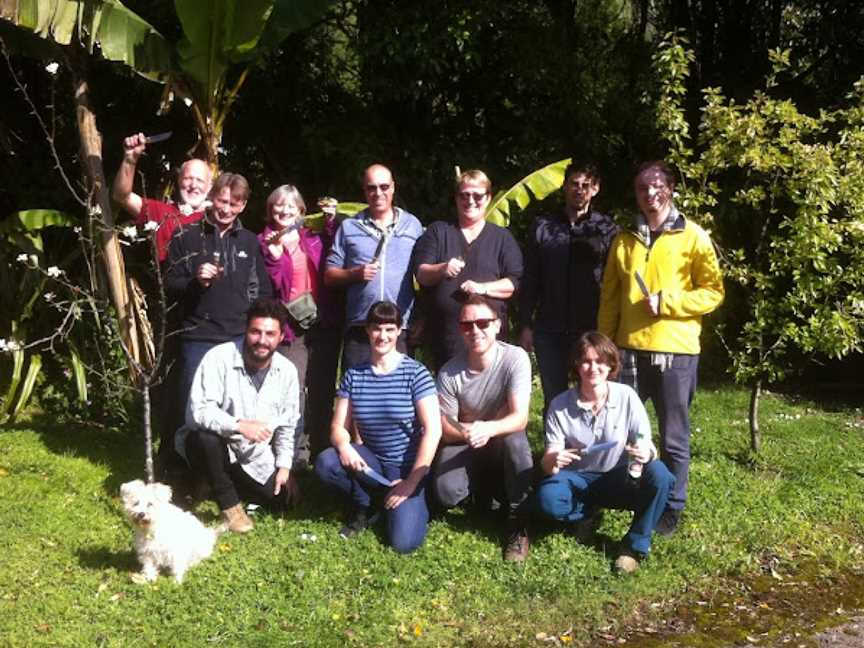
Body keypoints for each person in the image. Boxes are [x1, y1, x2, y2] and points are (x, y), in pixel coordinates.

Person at [598, 160, 724, 536]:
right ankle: (624, 494)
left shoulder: (694, 236)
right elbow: (609, 297)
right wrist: (604, 345)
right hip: (628, 350)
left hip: (676, 352)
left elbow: (713, 292)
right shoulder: (623, 239)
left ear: (670, 189)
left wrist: (669, 302)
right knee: (622, 431)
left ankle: (671, 507)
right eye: (642, 188)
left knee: (673, 436)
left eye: (657, 186)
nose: (650, 194)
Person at [535, 331, 674, 574]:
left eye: (600, 361)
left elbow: (647, 443)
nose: (593, 368)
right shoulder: (560, 404)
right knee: (548, 499)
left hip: (618, 476)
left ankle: (633, 547)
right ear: (576, 365)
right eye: (586, 361)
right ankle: (584, 515)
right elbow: (548, 464)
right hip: (576, 478)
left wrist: (645, 453)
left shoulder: (627, 397)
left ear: (611, 365)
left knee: (660, 475)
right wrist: (553, 459)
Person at [314, 301, 441, 553]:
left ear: (398, 331)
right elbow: (339, 425)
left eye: (389, 329)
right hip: (371, 461)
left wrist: (411, 481)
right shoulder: (354, 375)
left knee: (404, 543)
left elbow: (433, 430)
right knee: (327, 462)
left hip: (407, 468)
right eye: (376, 328)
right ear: (367, 331)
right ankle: (367, 502)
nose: (382, 336)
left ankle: (408, 501)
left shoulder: (416, 373)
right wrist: (344, 446)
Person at [176, 299, 300, 533]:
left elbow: (287, 425)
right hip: (216, 445)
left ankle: (210, 483)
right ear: (246, 330)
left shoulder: (287, 372)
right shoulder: (219, 357)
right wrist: (239, 425)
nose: (262, 340)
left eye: (270, 334)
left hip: (253, 456)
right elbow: (198, 412)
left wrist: (284, 466)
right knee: (204, 438)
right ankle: (230, 506)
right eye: (255, 332)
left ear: (281, 337)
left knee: (285, 499)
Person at [432, 295, 533, 562]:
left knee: (517, 442)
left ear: (498, 325)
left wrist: (487, 428)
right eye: (467, 325)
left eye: (483, 323)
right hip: (467, 442)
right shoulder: (449, 372)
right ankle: (482, 496)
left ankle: (518, 520)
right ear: (460, 329)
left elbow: (520, 417)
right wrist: (468, 431)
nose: (475, 330)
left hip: (502, 437)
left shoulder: (515, 358)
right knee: (445, 491)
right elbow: (445, 425)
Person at [165, 172, 273, 406]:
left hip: (238, 338)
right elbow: (169, 285)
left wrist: (255, 328)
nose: (226, 209)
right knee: (194, 406)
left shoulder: (250, 241)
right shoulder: (185, 235)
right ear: (212, 197)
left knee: (234, 407)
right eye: (222, 201)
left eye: (234, 204)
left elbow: (262, 291)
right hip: (197, 337)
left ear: (243, 205)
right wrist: (195, 281)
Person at [519, 161, 618, 415]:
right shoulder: (543, 226)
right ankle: (554, 452)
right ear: (564, 186)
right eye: (574, 184)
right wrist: (525, 324)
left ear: (595, 189)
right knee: (554, 395)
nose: (579, 190)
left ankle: (592, 450)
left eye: (586, 185)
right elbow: (530, 277)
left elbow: (614, 281)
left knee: (593, 391)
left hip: (590, 327)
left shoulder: (606, 230)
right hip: (548, 327)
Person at [258, 186, 341, 461]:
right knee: (293, 389)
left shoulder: (313, 238)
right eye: (278, 206)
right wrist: (274, 254)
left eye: (291, 206)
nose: (284, 211)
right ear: (270, 210)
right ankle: (292, 453)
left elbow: (333, 257)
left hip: (321, 322)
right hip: (291, 328)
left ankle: (319, 447)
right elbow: (276, 284)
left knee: (322, 386)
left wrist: (330, 223)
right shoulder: (264, 240)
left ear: (301, 211)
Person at [414, 170, 523, 369]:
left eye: (477, 195)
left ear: (488, 198)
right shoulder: (438, 231)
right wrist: (442, 268)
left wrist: (482, 288)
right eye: (464, 195)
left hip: (490, 340)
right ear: (456, 198)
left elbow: (514, 283)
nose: (470, 201)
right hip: (446, 339)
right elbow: (421, 274)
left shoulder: (502, 238)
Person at [324, 165, 423, 370]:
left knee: (399, 396)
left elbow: (424, 274)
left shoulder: (412, 225)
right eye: (372, 188)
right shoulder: (350, 227)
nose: (378, 193)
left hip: (399, 326)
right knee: (357, 394)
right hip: (361, 327)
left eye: (384, 187)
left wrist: (422, 318)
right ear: (364, 190)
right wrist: (355, 274)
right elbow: (329, 276)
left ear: (393, 188)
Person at [112, 132, 213, 262]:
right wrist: (130, 159)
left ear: (210, 186)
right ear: (179, 181)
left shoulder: (218, 219)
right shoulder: (161, 212)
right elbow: (121, 196)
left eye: (200, 180)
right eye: (188, 178)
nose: (193, 185)